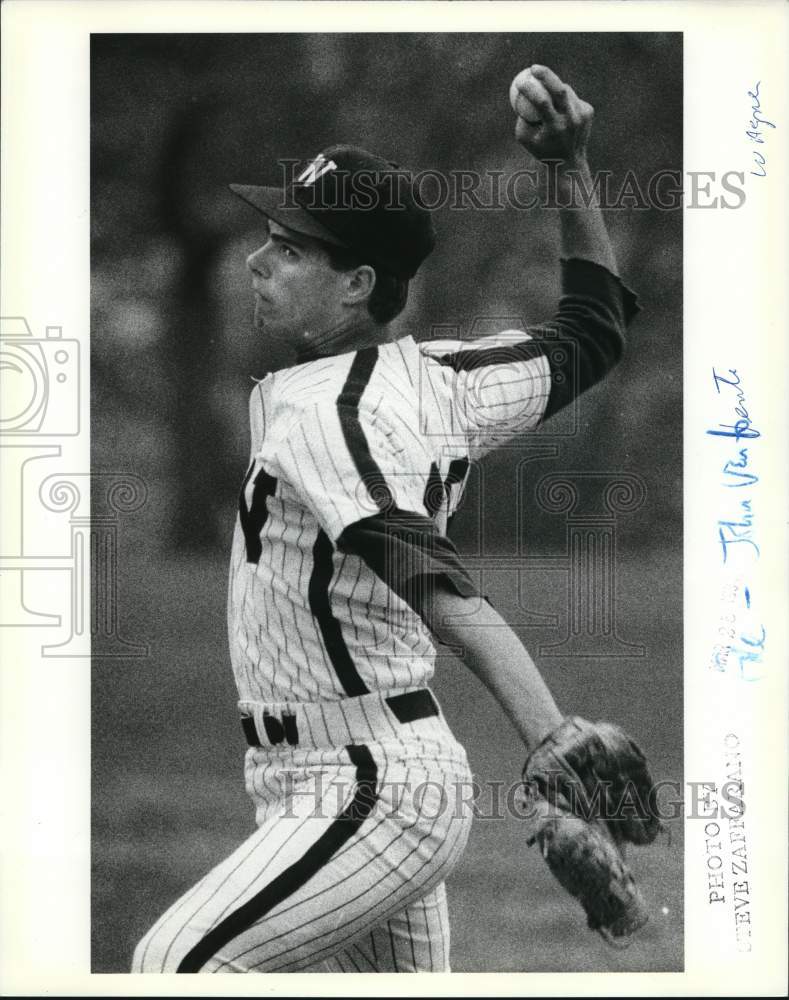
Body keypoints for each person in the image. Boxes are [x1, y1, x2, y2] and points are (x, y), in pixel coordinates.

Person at [132, 64, 640, 974]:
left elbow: (434, 583)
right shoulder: (442, 381)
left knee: (176, 965)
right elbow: (594, 329)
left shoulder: (328, 414)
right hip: (354, 774)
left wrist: (550, 736)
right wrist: (568, 163)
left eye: (290, 248)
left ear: (356, 283)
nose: (257, 259)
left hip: (370, 790)